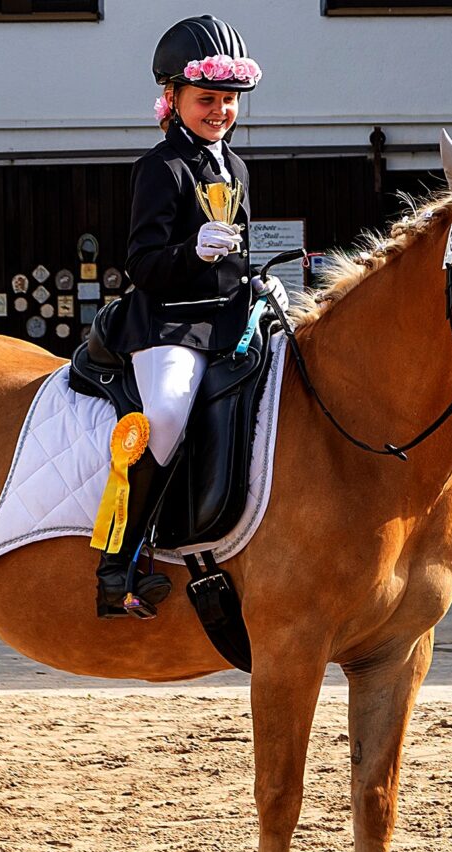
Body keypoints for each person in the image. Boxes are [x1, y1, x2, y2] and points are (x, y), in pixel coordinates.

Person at [94, 14, 285, 620]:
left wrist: (258, 282)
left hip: (229, 319)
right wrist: (189, 252)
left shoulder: (237, 167)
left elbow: (237, 253)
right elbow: (143, 264)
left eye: (228, 101)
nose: (220, 111)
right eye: (207, 99)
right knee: (169, 415)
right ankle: (118, 565)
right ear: (173, 99)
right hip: (167, 324)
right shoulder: (160, 167)